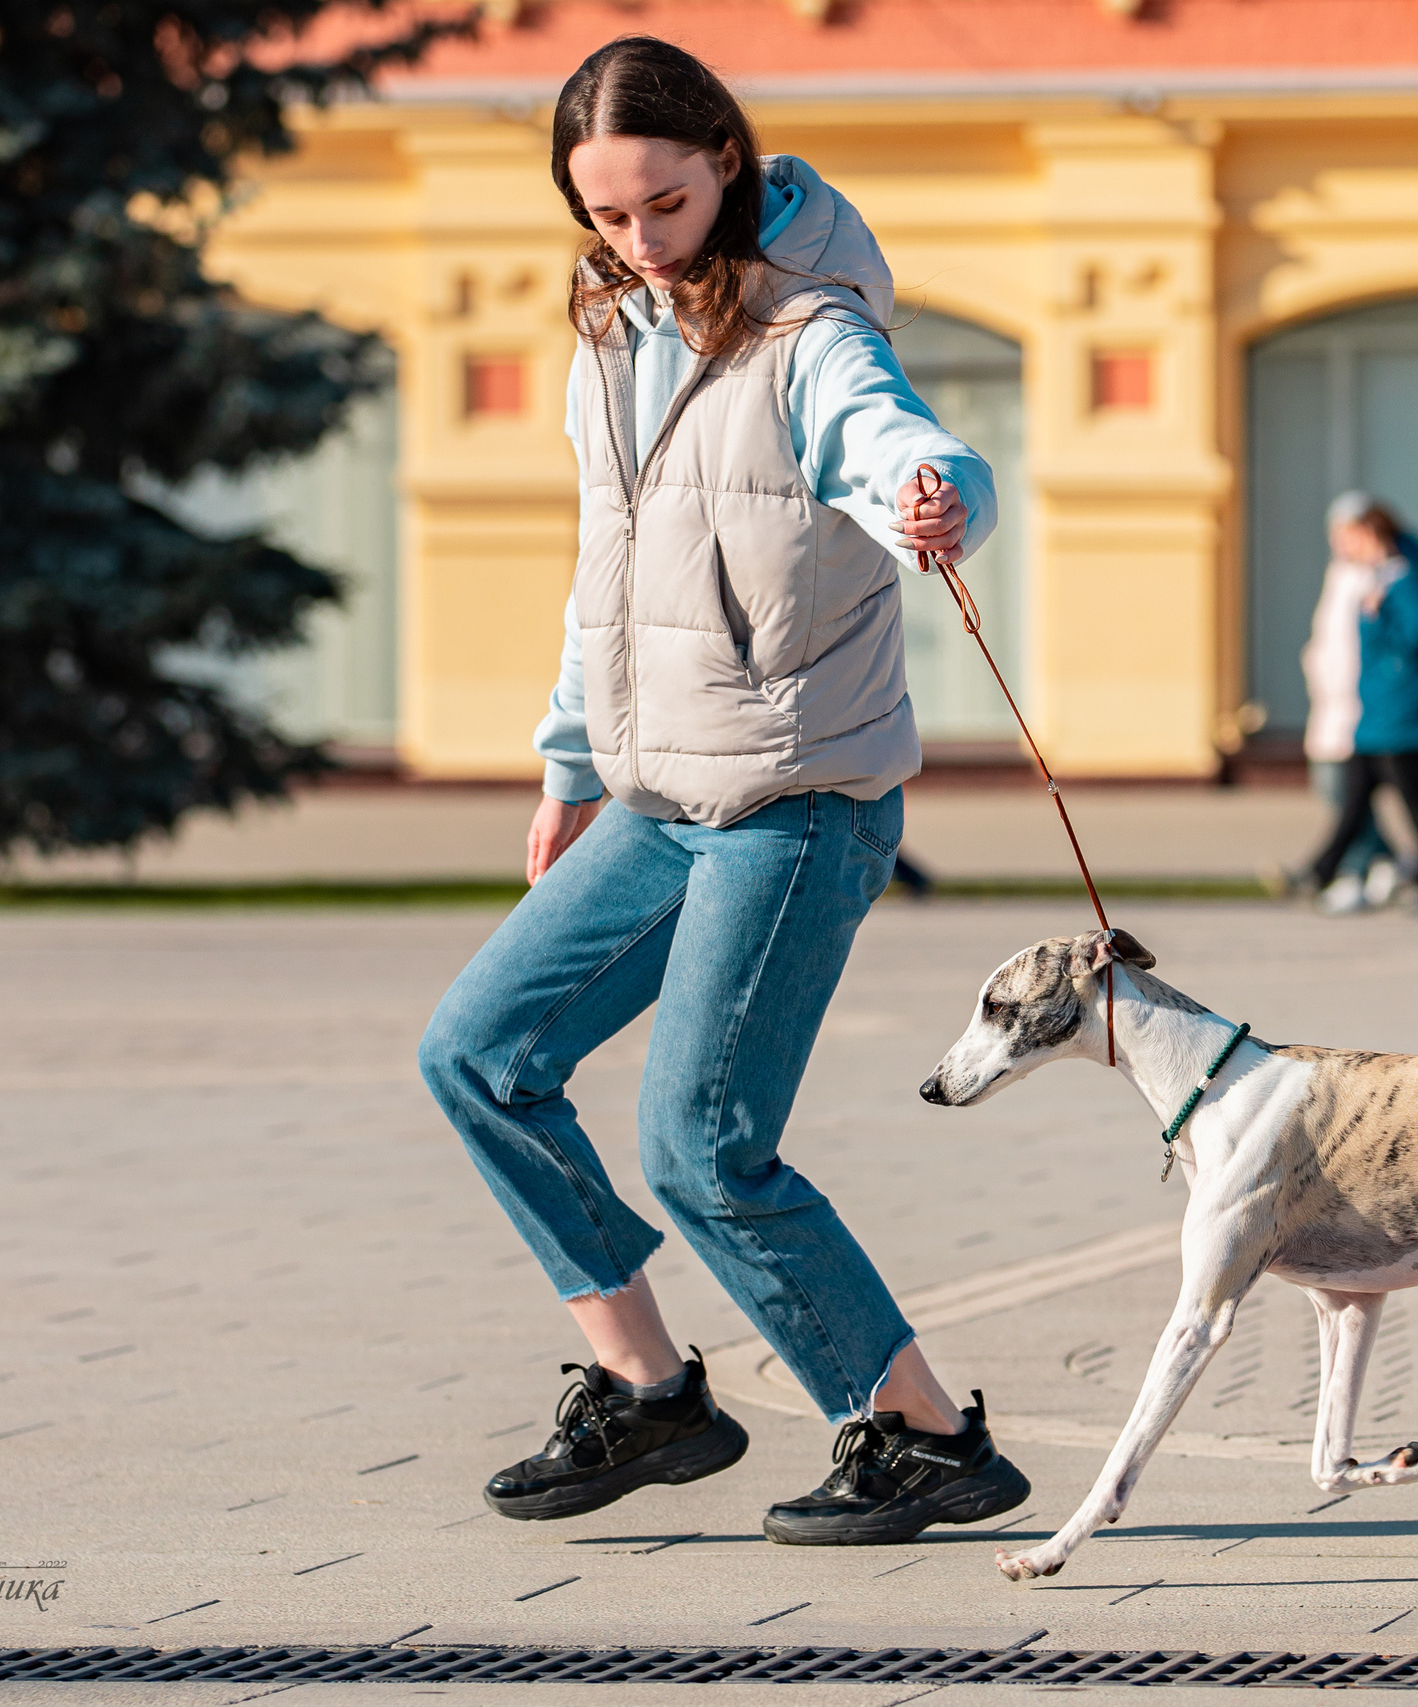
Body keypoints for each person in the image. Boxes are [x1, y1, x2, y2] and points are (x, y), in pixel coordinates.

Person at [417, 36, 1029, 1548]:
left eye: (667, 205)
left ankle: (923, 1432)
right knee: (479, 1053)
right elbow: (607, 576)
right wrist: (570, 761)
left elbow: (899, 439)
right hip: (653, 793)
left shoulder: (808, 327)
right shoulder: (613, 329)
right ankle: (649, 1391)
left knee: (699, 1139)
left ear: (730, 165)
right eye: (607, 216)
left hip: (797, 796)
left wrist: (930, 497)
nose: (638, 239)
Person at [1302, 499, 1418, 911]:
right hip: (1374, 714)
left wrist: (1376, 617)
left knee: (1414, 802)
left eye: (1348, 537)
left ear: (1370, 534)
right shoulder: (1368, 578)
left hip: (1405, 715)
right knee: (1352, 799)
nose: (1341, 545)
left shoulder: (1405, 579)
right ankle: (1322, 869)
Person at [1298, 492, 1406, 913]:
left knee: (1347, 792)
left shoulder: (1384, 576)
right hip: (1331, 703)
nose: (1341, 542)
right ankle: (1388, 861)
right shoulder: (1341, 574)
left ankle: (1355, 873)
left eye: (1349, 533)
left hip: (1360, 704)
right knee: (1334, 788)